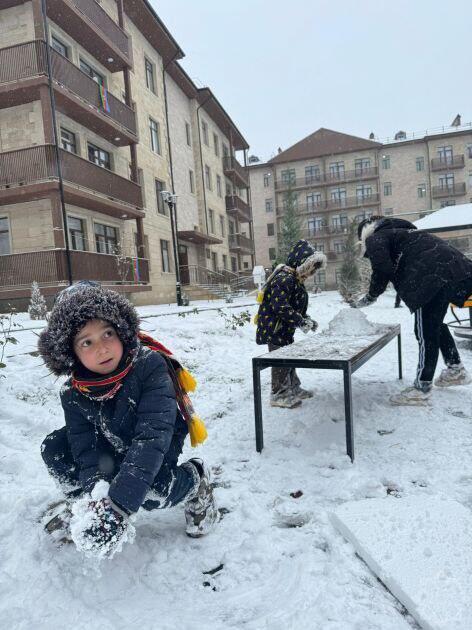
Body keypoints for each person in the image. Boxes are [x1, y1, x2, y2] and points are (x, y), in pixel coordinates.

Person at [38, 282, 217, 550]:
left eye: (107, 333)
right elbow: (86, 447)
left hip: (157, 441)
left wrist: (119, 506)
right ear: (70, 352)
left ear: (121, 330)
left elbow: (152, 436)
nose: (102, 348)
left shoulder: (149, 366)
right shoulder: (73, 392)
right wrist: (97, 498)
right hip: (111, 439)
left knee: (152, 490)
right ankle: (84, 510)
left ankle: (195, 480)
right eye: (86, 341)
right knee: (55, 448)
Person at [353, 216, 472, 406]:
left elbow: (382, 268)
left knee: (425, 332)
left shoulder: (375, 238)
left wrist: (371, 295)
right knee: (434, 325)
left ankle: (421, 388)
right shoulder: (404, 233)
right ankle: (455, 368)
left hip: (431, 276)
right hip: (458, 272)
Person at [256, 240, 327, 408]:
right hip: (275, 329)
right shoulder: (284, 278)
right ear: (301, 263)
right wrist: (300, 321)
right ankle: (278, 394)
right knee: (281, 361)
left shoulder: (294, 280)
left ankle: (293, 387)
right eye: (311, 268)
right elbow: (280, 306)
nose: (313, 272)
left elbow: (296, 306)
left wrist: (306, 319)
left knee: (290, 358)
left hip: (284, 329)